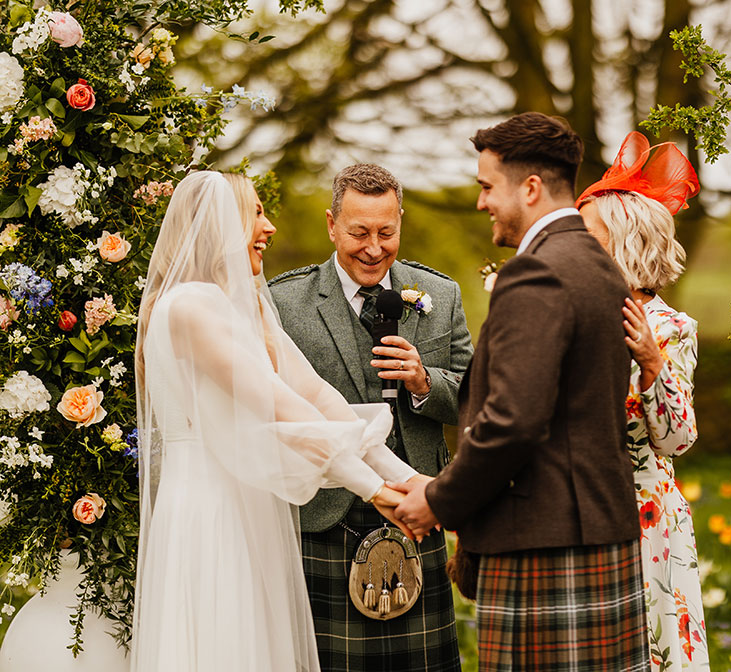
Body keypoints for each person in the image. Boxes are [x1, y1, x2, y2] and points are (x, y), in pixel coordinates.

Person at [131, 171, 418, 672]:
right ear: (219, 227)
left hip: (248, 506)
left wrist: (409, 479)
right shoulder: (188, 308)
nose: (269, 227)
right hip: (209, 512)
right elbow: (274, 405)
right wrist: (372, 489)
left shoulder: (242, 310)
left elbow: (315, 396)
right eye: (255, 213)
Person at [393, 112, 650, 672]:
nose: (481, 202)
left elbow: (513, 419)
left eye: (488, 186)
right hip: (599, 531)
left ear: (530, 188)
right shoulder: (598, 266)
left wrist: (437, 499)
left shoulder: (536, 272)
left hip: (545, 541)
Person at [268, 164, 472, 672]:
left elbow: (476, 396)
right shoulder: (283, 301)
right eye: (359, 232)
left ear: (400, 221)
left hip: (415, 508)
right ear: (332, 225)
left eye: (387, 232)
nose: (374, 247)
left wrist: (426, 381)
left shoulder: (438, 295)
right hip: (321, 517)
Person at [576, 131, 709, 671]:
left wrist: (653, 364)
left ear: (626, 243)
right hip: (579, 511)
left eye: (588, 236)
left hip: (647, 520)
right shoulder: (577, 315)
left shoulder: (671, 327)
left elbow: (678, 439)